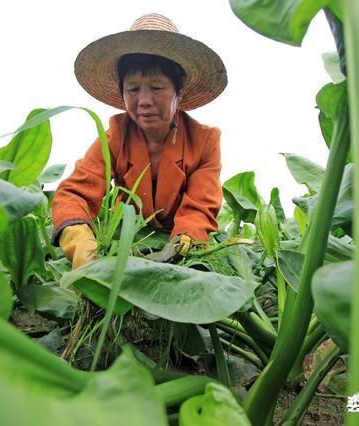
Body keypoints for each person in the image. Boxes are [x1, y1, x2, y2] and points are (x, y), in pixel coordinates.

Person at [52, 13, 227, 269]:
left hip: (181, 239)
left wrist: (179, 247)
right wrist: (80, 243)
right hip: (128, 238)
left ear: (179, 92)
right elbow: (75, 194)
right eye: (133, 89)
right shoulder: (115, 134)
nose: (143, 100)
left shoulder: (204, 140)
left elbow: (200, 207)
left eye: (156, 88)